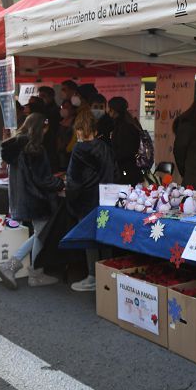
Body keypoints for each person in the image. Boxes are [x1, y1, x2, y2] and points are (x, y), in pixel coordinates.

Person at [0, 113, 64, 289]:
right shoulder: (34, 149)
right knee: (41, 235)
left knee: (39, 233)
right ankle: (31, 272)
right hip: (36, 198)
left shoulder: (15, 145)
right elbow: (42, 179)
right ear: (39, 128)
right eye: (45, 128)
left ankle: (20, 268)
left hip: (22, 197)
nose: (46, 132)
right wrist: (60, 183)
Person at [65, 107, 116, 292]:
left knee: (90, 239)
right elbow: (114, 173)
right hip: (106, 201)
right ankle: (109, 273)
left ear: (79, 129)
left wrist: (70, 198)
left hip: (85, 202)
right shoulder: (105, 147)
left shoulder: (78, 149)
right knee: (105, 238)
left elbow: (73, 181)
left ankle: (93, 277)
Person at [107, 96, 142, 184]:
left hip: (126, 172)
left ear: (114, 111)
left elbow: (125, 151)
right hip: (128, 169)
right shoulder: (125, 124)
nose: (108, 112)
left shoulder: (124, 127)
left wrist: (111, 157)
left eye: (110, 109)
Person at [56, 101, 77, 171]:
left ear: (73, 109)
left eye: (67, 107)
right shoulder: (60, 120)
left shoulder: (75, 121)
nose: (64, 109)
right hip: (59, 154)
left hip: (69, 153)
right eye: (63, 107)